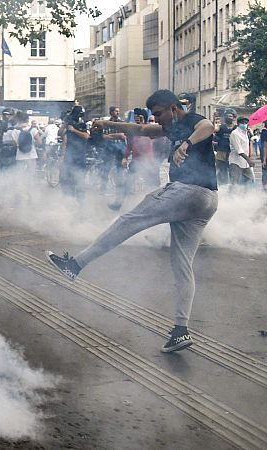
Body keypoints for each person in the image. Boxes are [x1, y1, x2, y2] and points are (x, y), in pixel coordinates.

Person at [47, 89, 218, 353]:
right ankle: (181, 330)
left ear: (173, 109)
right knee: (181, 264)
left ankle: (76, 265)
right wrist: (107, 123)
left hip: (188, 191)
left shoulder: (191, 120)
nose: (156, 119)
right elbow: (143, 130)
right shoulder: (171, 127)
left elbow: (207, 126)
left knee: (129, 220)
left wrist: (186, 145)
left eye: (159, 114)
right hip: (207, 201)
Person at [109, 113, 160, 210]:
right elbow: (129, 147)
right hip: (136, 162)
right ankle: (118, 204)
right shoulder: (132, 133)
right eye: (136, 119)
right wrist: (125, 158)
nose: (138, 121)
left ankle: (155, 208)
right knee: (127, 183)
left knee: (153, 186)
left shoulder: (149, 130)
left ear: (144, 119)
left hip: (148, 162)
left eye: (140, 119)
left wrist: (154, 161)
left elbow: (155, 146)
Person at [60, 106, 91, 199]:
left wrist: (74, 130)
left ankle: (80, 200)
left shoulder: (83, 124)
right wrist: (65, 124)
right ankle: (70, 199)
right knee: (68, 179)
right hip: (70, 156)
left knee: (80, 178)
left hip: (80, 156)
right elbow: (61, 135)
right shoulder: (69, 124)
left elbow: (86, 136)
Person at [98, 106, 127, 193]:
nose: (118, 113)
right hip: (109, 148)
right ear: (111, 112)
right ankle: (103, 188)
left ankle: (119, 188)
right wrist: (117, 136)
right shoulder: (106, 123)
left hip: (120, 149)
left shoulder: (122, 123)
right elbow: (104, 136)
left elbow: (124, 136)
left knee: (119, 169)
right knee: (106, 168)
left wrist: (111, 136)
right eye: (116, 111)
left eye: (118, 111)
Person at [228, 116, 254, 187]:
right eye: (242, 123)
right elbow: (239, 150)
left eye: (246, 123)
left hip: (245, 162)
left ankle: (245, 193)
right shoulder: (235, 133)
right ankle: (231, 194)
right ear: (238, 124)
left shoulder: (246, 133)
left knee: (250, 179)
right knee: (234, 182)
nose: (244, 124)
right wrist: (249, 160)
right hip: (236, 162)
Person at [213, 112, 235, 185]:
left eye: (230, 116)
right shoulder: (221, 127)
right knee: (221, 170)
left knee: (233, 170)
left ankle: (233, 186)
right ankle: (222, 185)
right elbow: (214, 129)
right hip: (221, 151)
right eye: (227, 116)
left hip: (232, 152)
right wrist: (214, 119)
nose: (229, 117)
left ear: (234, 118)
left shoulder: (236, 128)